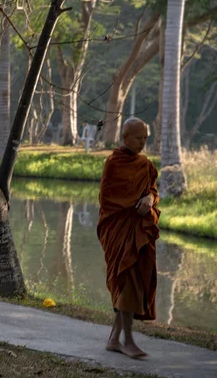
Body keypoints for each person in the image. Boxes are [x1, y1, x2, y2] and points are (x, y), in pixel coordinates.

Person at [97, 117, 160, 358]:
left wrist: (149, 200)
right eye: (138, 138)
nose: (143, 143)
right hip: (118, 230)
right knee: (127, 282)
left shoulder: (144, 164)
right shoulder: (113, 163)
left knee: (131, 285)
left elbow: (152, 190)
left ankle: (115, 340)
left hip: (138, 231)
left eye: (145, 138)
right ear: (125, 138)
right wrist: (134, 203)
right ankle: (129, 341)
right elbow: (108, 199)